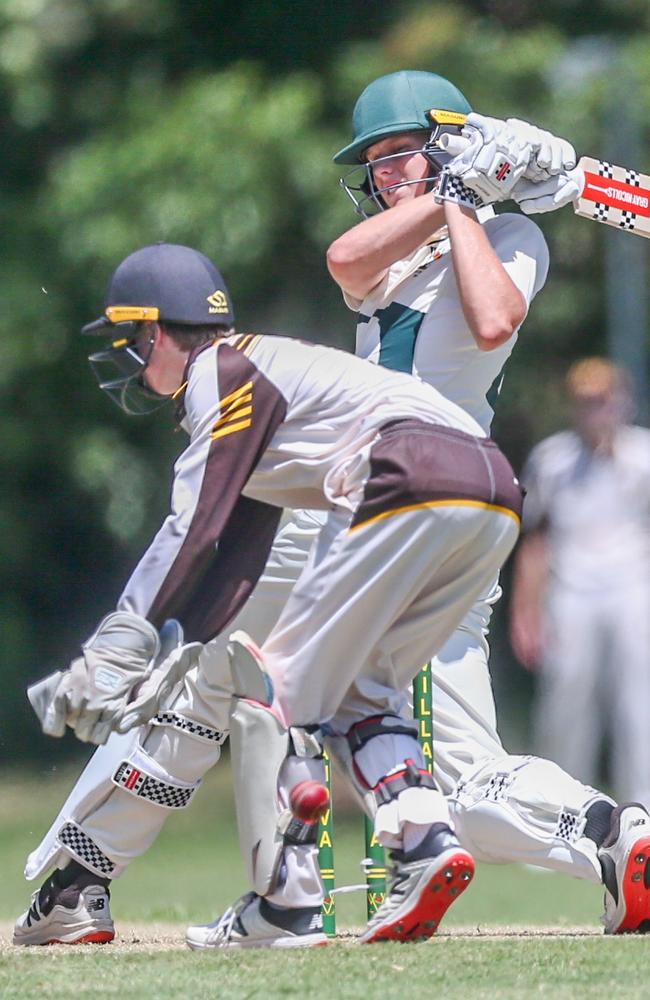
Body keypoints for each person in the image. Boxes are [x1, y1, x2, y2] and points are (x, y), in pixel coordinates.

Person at [13, 72, 649, 947]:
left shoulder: (514, 236)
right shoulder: (395, 246)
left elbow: (495, 320)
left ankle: (248, 897)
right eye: (377, 164)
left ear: (445, 142)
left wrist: (475, 203)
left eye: (401, 157)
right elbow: (347, 261)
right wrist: (460, 185)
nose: (387, 176)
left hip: (390, 495)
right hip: (420, 495)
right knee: (436, 762)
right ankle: (609, 838)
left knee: (230, 686)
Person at [19, 240, 524, 947]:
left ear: (156, 332)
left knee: (272, 692)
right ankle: (425, 841)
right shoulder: (269, 376)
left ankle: (285, 905)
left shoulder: (222, 371)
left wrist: (118, 640)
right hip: (492, 490)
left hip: (405, 475)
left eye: (130, 338)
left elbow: (191, 524)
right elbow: (236, 562)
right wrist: (161, 661)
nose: (129, 358)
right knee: (360, 694)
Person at [510, 357, 650, 806]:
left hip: (633, 587)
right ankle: (560, 810)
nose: (596, 412)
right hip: (570, 590)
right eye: (587, 403)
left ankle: (642, 811)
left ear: (620, 403)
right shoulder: (553, 459)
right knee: (567, 699)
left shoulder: (643, 456)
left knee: (638, 702)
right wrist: (524, 614)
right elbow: (536, 542)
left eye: (603, 402)